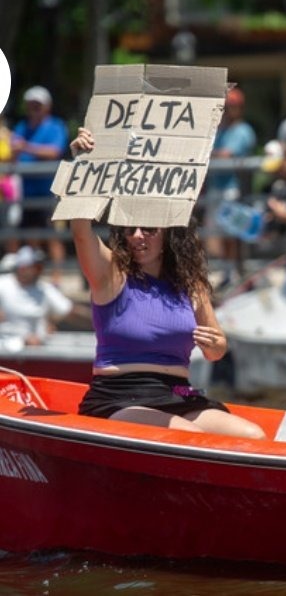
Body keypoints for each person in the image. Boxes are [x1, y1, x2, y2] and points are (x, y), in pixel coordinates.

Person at [66, 127, 265, 439]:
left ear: (170, 233)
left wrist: (216, 345)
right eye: (129, 229)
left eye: (148, 229)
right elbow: (80, 232)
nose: (136, 237)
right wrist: (81, 167)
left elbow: (217, 349)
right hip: (120, 396)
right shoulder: (111, 272)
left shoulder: (191, 282)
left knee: (254, 437)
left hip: (179, 395)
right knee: (188, 436)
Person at [10, 86, 69, 281]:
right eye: (31, 105)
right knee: (29, 236)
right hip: (26, 192)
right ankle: (35, 274)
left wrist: (26, 147)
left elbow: (54, 152)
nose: (34, 108)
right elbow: (13, 154)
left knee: (52, 235)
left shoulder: (56, 126)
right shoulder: (21, 127)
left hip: (50, 191)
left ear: (47, 107)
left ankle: (57, 277)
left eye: (38, 105)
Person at [204, 86, 257, 282]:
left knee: (234, 232)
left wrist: (209, 154)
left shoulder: (243, 130)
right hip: (216, 187)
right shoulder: (219, 131)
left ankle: (237, 272)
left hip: (235, 189)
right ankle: (228, 272)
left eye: (233, 106)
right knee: (218, 232)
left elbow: (227, 154)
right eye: (226, 106)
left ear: (240, 108)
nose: (229, 110)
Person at [0, 245, 73, 345]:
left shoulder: (45, 289)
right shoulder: (3, 284)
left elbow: (68, 311)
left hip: (37, 349)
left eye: (40, 267)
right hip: (6, 347)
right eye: (36, 267)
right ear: (22, 268)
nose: (39, 271)